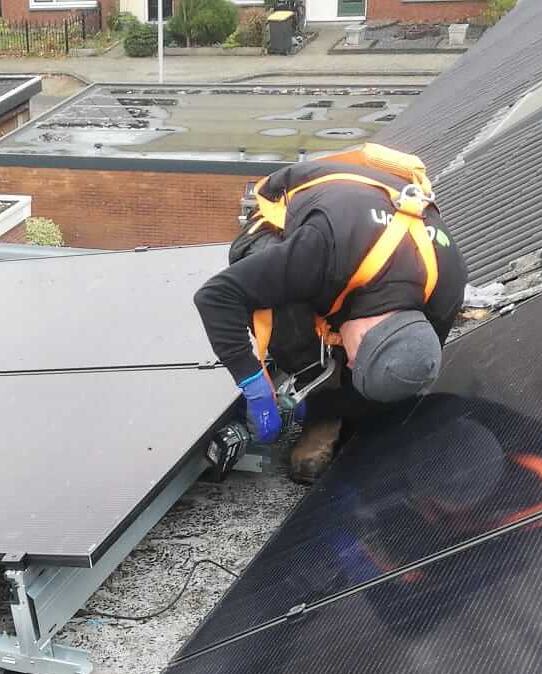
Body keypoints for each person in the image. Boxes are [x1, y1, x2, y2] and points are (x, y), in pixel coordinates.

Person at [194, 144, 467, 482]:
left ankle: (330, 406)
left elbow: (405, 365)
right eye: (354, 362)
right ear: (364, 336)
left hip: (371, 220)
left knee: (379, 380)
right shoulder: (319, 252)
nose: (349, 364)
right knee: (284, 313)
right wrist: (253, 381)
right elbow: (216, 296)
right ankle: (315, 392)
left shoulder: (447, 288)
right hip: (290, 217)